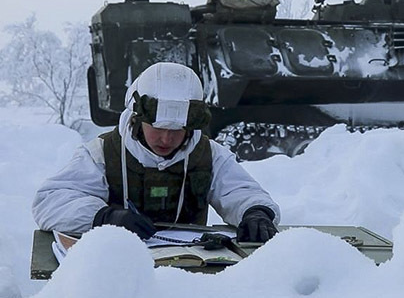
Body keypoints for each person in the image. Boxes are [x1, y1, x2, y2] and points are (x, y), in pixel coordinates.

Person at [33, 62, 280, 242]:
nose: (166, 138)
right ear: (136, 117)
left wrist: (255, 212)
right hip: (117, 269)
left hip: (189, 270)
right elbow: (50, 202)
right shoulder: (102, 153)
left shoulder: (208, 154)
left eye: (177, 130)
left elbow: (240, 190)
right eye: (158, 128)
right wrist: (104, 218)